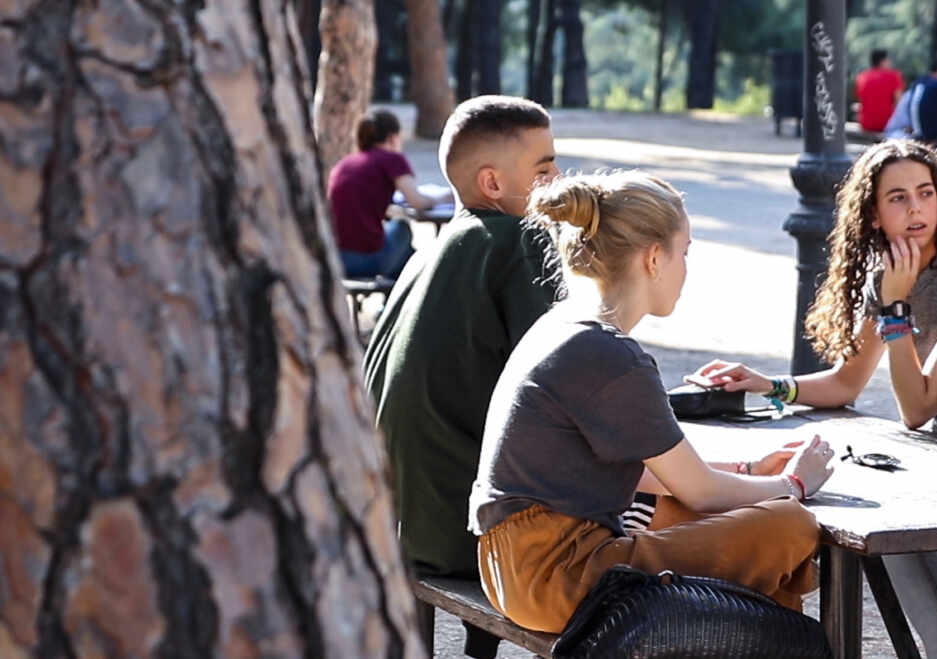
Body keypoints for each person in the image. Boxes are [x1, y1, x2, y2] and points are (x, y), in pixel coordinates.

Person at [691, 140, 937, 658]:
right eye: (898, 198)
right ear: (873, 214)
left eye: (926, 193)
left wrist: (896, 309)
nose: (916, 208)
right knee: (845, 489)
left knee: (884, 514)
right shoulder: (888, 276)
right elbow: (847, 384)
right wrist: (768, 384)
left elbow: (917, 410)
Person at [468, 171, 834, 633]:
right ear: (655, 258)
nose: (686, 268)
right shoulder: (608, 353)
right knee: (788, 525)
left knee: (735, 516)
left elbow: (651, 471)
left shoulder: (564, 325)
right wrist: (795, 483)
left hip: (516, 568)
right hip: (559, 576)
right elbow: (698, 489)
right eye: (686, 252)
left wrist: (749, 471)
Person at [364, 96, 561, 658]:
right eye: (544, 169)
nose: (558, 179)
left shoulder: (432, 250)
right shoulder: (523, 241)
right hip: (457, 534)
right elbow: (561, 380)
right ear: (494, 183)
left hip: (394, 518)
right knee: (644, 511)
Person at [326, 108, 447, 279]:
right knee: (402, 228)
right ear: (392, 138)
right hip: (369, 260)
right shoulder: (391, 159)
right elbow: (417, 202)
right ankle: (404, 296)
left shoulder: (346, 163)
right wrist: (446, 196)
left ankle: (395, 297)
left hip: (338, 260)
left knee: (406, 255)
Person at [856, 49, 906, 133]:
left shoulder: (862, 76)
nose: (890, 62)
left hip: (866, 124)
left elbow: (861, 100)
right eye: (888, 60)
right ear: (883, 61)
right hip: (887, 124)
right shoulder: (893, 76)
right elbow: (900, 103)